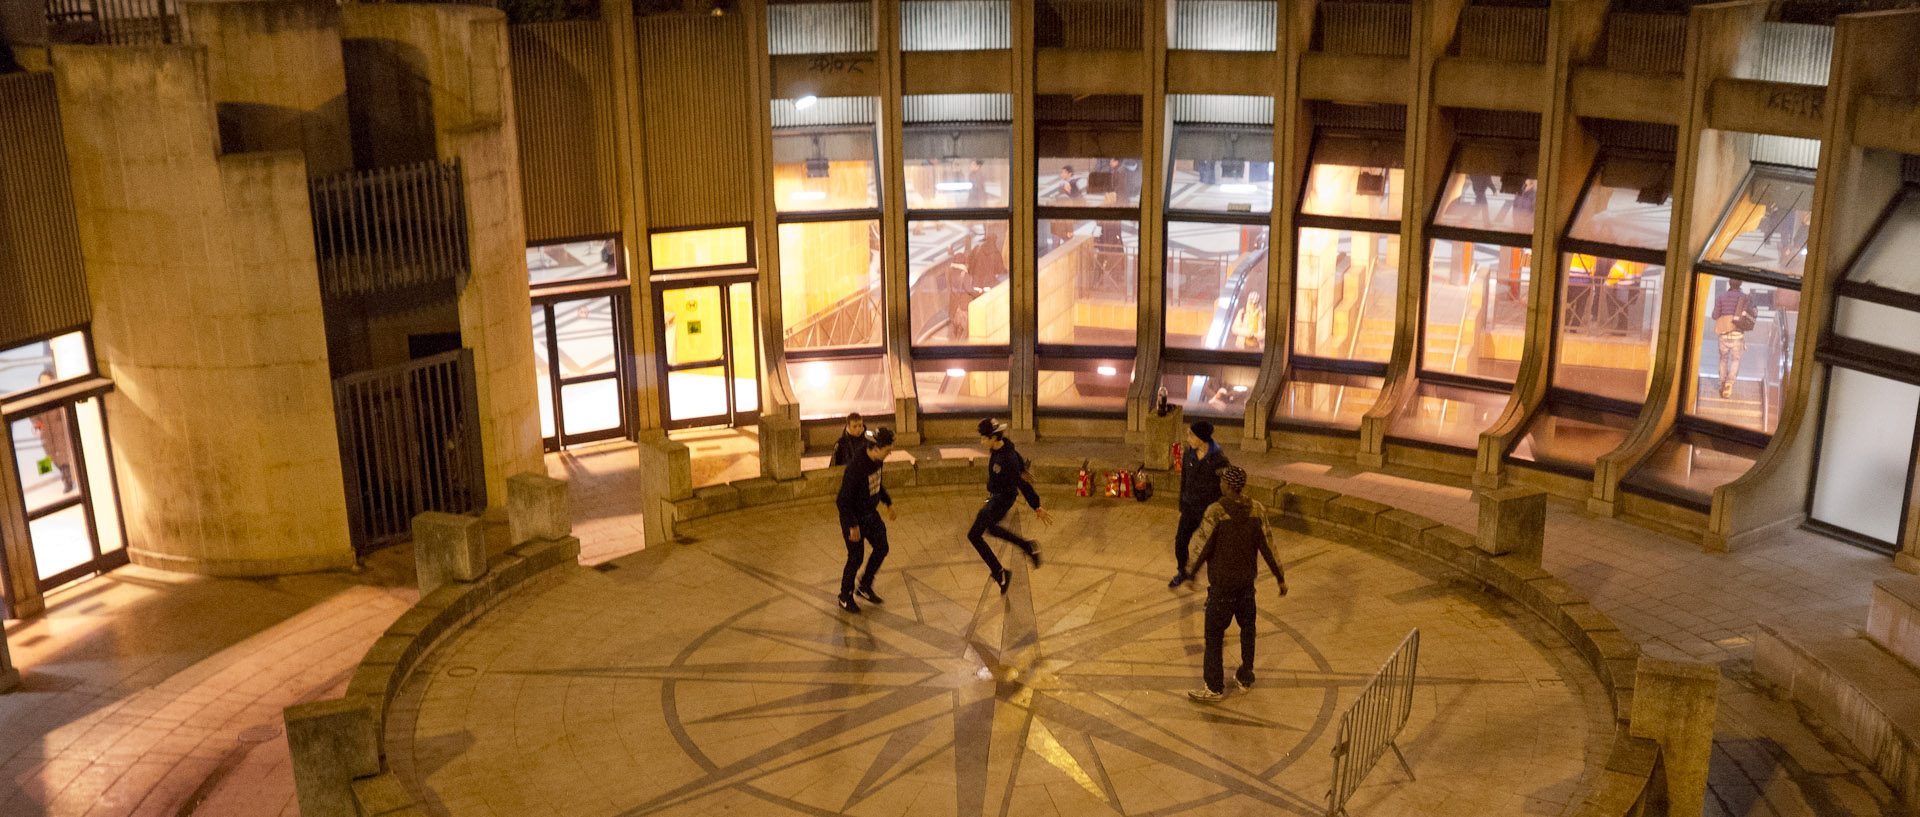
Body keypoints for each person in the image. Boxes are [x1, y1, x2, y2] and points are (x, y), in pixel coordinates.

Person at [1179, 465, 1286, 703]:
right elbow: (1268, 545)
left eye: (1222, 482)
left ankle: (1214, 687)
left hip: (1222, 590)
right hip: (1246, 588)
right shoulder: (1257, 510)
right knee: (1248, 632)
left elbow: (1202, 544)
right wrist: (1279, 577)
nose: (1220, 485)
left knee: (1214, 636)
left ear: (1227, 485)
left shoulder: (1216, 512)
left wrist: (1191, 572)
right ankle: (1245, 677)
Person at [970, 419, 1054, 594]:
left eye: (984, 438)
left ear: (993, 438)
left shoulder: (1006, 458)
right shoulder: (1002, 448)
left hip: (1002, 499)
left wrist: (1037, 506)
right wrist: (1022, 468)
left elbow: (1022, 484)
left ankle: (1000, 571)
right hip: (996, 497)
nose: (981, 442)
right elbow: (1015, 453)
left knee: (974, 535)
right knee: (991, 529)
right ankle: (1027, 547)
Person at [835, 427, 896, 613]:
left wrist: (888, 503)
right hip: (853, 518)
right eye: (887, 450)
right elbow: (842, 501)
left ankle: (864, 585)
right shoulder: (856, 468)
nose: (890, 453)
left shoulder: (877, 461)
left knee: (882, 547)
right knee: (856, 557)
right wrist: (853, 526)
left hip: (870, 513)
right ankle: (845, 596)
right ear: (876, 448)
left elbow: (877, 483)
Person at [1169, 421, 1229, 589]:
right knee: (1180, 542)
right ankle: (1183, 572)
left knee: (1210, 551)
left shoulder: (1219, 459)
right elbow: (1184, 481)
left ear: (1202, 438)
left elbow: (1226, 487)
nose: (1188, 438)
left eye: (1191, 435)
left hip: (1208, 512)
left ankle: (1213, 589)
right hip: (1190, 508)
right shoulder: (1188, 453)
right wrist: (1182, 506)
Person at [29, 371, 75, 494]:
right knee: (54, 458)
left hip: (59, 432)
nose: (44, 383)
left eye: (47, 380)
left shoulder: (57, 394)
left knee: (64, 458)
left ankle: (68, 481)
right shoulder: (38, 398)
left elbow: (63, 412)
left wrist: (61, 423)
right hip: (48, 435)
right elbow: (34, 416)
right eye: (42, 381)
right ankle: (66, 477)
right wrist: (38, 426)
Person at [1711, 280, 1758, 399]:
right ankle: (1729, 382)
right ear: (1740, 284)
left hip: (1723, 334)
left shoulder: (1721, 297)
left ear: (1729, 283)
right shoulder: (1744, 298)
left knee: (1723, 359)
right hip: (1738, 335)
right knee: (1735, 360)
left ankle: (1721, 383)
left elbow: (1715, 316)